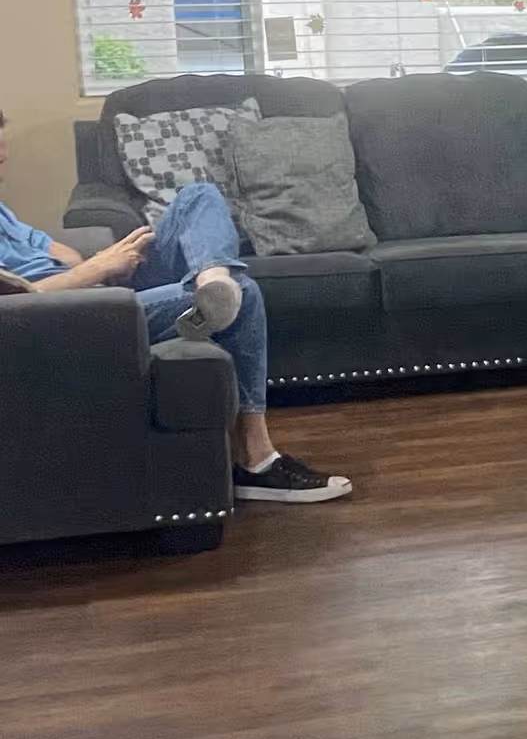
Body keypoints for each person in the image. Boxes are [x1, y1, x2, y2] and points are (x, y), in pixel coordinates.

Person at [0, 109, 351, 504]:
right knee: (245, 292)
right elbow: (19, 304)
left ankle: (212, 281)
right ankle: (256, 458)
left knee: (198, 197)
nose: (3, 166)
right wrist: (97, 269)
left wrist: (102, 266)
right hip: (75, 314)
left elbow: (62, 253)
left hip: (93, 290)